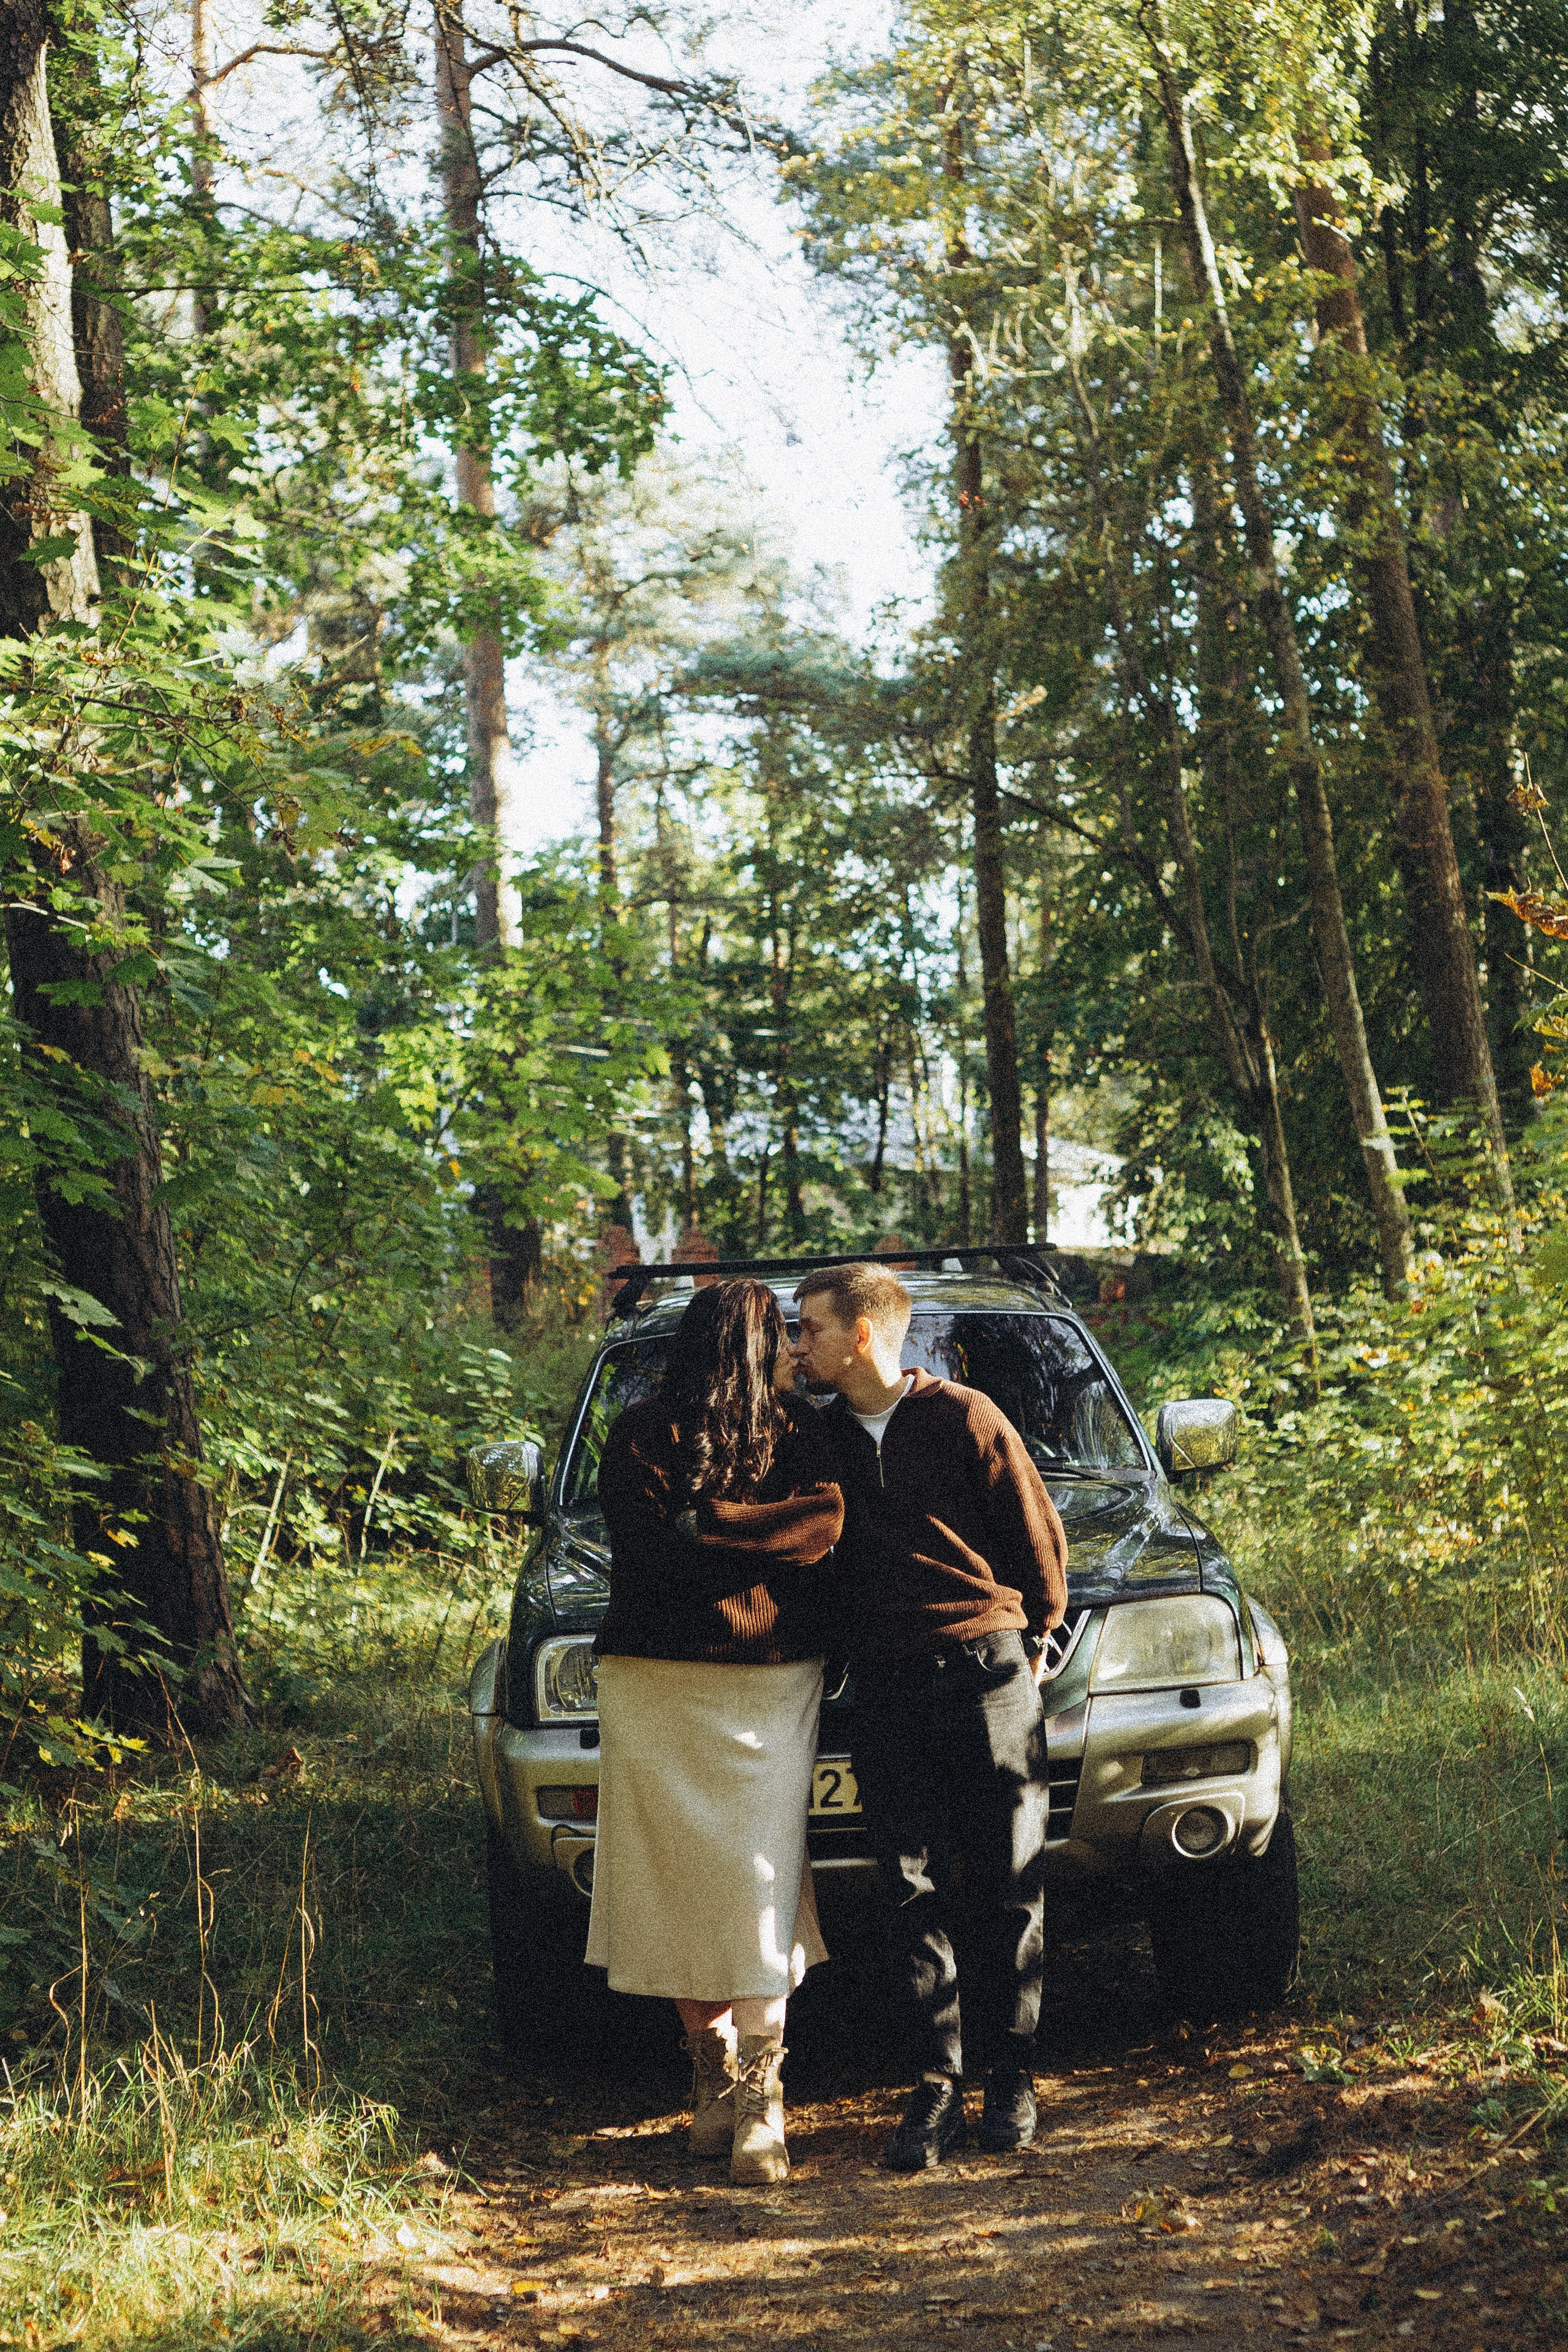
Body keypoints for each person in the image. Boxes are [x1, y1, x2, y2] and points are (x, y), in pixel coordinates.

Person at [791, 1260, 1069, 2171]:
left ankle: (1012, 2075)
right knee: (907, 1888)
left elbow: (1037, 1539)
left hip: (985, 1674)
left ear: (862, 1334)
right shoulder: (817, 1437)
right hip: (885, 1686)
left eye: (811, 1331)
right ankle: (936, 2085)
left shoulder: (964, 1417)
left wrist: (1035, 1633)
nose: (800, 1348)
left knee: (1005, 1879)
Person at [587, 1278, 844, 2184]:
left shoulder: (802, 1430)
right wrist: (756, 1541)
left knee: (755, 1880)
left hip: (757, 1686)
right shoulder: (645, 1431)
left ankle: (756, 2105)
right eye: (779, 1334)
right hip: (677, 1682)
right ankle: (723, 2097)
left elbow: (823, 1527)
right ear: (753, 1339)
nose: (788, 1350)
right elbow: (648, 1555)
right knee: (693, 1886)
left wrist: (712, 1522)